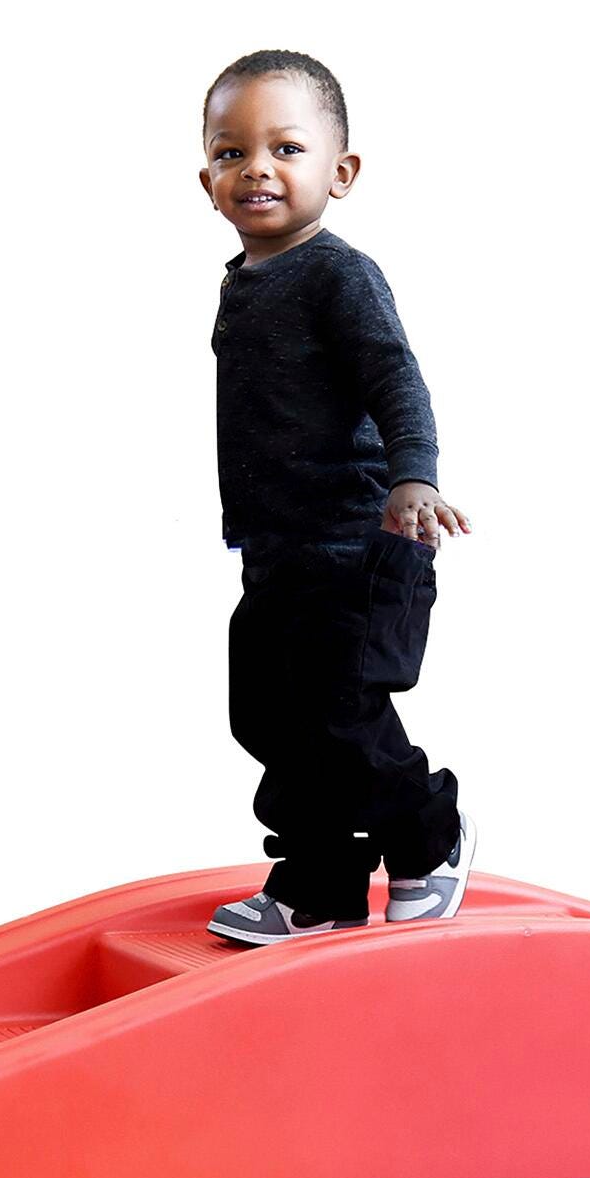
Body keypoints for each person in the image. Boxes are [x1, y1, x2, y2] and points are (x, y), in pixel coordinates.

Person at [197, 49, 476, 946]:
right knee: (269, 717)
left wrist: (414, 475)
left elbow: (395, 378)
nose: (258, 169)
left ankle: (429, 838)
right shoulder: (244, 282)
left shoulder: (337, 274)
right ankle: (319, 883)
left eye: (286, 148)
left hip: (355, 542)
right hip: (275, 552)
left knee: (342, 716)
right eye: (232, 153)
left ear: (341, 172)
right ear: (207, 182)